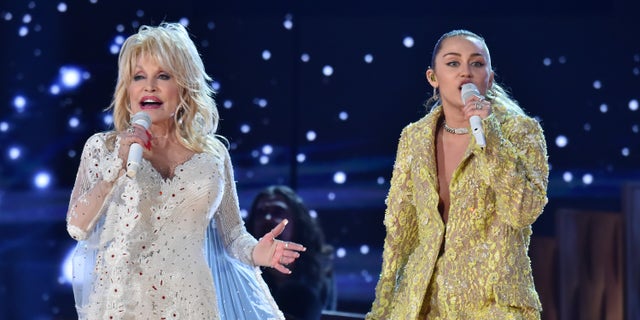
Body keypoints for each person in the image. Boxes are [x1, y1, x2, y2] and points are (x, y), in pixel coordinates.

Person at [65, 22, 306, 320]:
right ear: (128, 88)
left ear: (184, 85)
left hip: (191, 300)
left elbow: (232, 235)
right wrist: (116, 166)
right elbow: (77, 226)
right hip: (125, 302)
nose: (149, 86)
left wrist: (260, 253)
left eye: (163, 76)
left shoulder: (213, 155)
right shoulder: (103, 148)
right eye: (138, 77)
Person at [366, 29, 549, 319]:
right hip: (422, 303)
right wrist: (382, 308)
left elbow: (522, 211)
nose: (466, 72)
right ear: (433, 78)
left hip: (492, 305)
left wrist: (490, 137)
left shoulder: (521, 132)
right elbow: (400, 234)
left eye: (477, 64)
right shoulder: (414, 138)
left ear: (488, 78)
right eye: (453, 63)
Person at [245, 185, 337, 320]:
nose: (268, 218)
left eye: (278, 212)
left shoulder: (320, 271)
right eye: (261, 213)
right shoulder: (242, 269)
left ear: (297, 220)